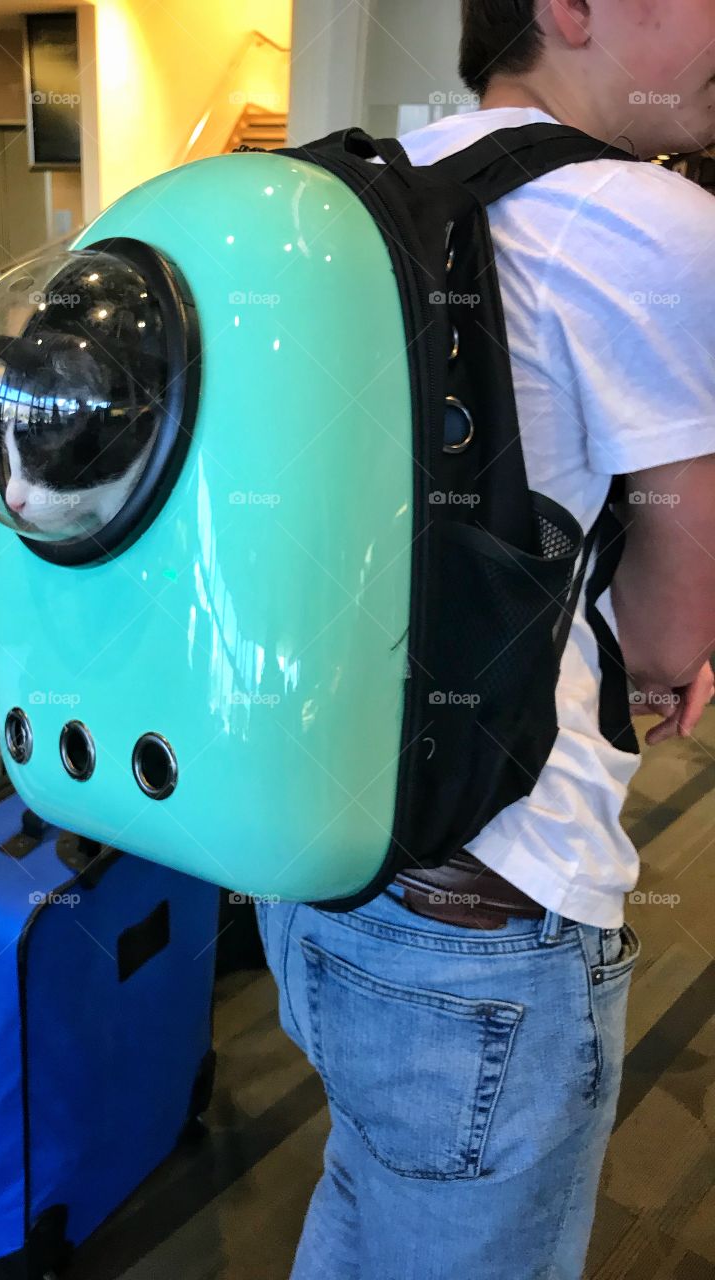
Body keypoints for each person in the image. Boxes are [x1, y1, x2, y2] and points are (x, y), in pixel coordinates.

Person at [256, 2, 715, 1276]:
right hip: (493, 911)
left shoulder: (357, 193)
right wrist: (673, 655)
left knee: (367, 1193)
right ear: (568, 6)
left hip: (315, 867)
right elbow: (679, 627)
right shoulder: (657, 224)